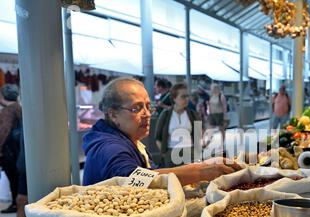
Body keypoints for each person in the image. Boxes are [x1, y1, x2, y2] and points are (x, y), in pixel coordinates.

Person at [82, 77, 242, 186]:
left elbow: (150, 171)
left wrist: (204, 164)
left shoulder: (131, 140)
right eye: (136, 108)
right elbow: (133, 179)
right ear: (113, 114)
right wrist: (201, 172)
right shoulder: (109, 148)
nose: (146, 114)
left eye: (147, 106)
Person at [155, 83, 201, 168]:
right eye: (183, 96)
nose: (187, 99)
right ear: (174, 98)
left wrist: (197, 153)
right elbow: (158, 138)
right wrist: (165, 154)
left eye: (187, 96)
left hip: (190, 153)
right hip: (171, 154)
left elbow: (198, 136)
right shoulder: (165, 114)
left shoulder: (193, 114)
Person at [0, 84, 21, 214]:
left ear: (2, 96)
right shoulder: (19, 108)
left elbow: (4, 131)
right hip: (18, 150)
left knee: (13, 178)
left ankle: (15, 204)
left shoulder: (7, 111)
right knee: (17, 178)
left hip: (9, 151)